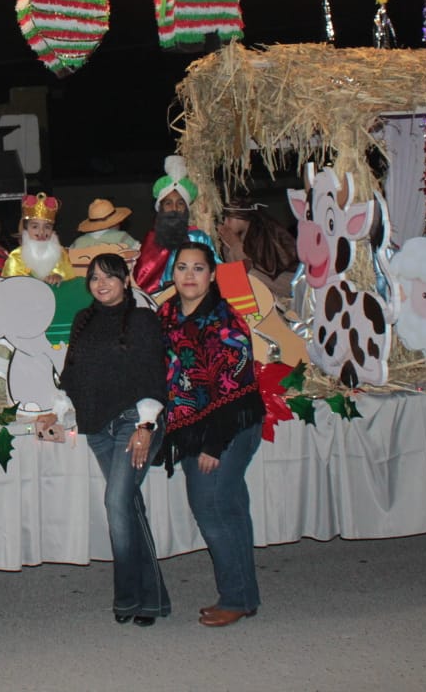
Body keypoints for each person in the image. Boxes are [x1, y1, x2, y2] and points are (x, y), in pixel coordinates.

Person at [34, 253, 169, 626]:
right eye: (94, 278)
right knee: (129, 507)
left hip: (135, 423)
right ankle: (152, 599)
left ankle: (128, 599)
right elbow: (73, 375)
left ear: (126, 280)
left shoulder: (142, 319)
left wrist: (146, 426)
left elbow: (153, 374)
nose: (101, 283)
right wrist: (56, 410)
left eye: (110, 276)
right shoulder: (84, 320)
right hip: (98, 428)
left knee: (115, 503)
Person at [158, 243, 266, 628]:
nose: (189, 275)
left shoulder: (224, 320)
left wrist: (213, 445)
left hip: (229, 426)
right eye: (182, 267)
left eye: (198, 268)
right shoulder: (166, 313)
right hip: (193, 426)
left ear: (212, 274)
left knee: (214, 509)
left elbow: (234, 385)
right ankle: (244, 596)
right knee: (230, 508)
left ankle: (236, 597)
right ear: (173, 273)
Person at [135, 155, 217, 299]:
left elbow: (216, 270)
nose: (174, 208)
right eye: (168, 203)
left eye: (180, 203)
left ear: (186, 208)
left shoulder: (198, 237)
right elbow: (141, 280)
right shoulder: (151, 239)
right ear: (160, 208)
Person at [215, 197, 300, 300]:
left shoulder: (263, 232)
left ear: (242, 218)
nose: (225, 224)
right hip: (268, 282)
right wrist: (228, 246)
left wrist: (235, 245)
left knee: (249, 275)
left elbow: (255, 268)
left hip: (289, 281)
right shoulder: (240, 236)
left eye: (229, 219)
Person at [1, 192, 76, 284]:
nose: (41, 232)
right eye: (35, 227)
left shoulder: (61, 254)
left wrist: (60, 277)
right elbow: (10, 288)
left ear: (52, 230)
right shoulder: (16, 257)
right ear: (26, 229)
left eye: (47, 227)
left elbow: (72, 282)